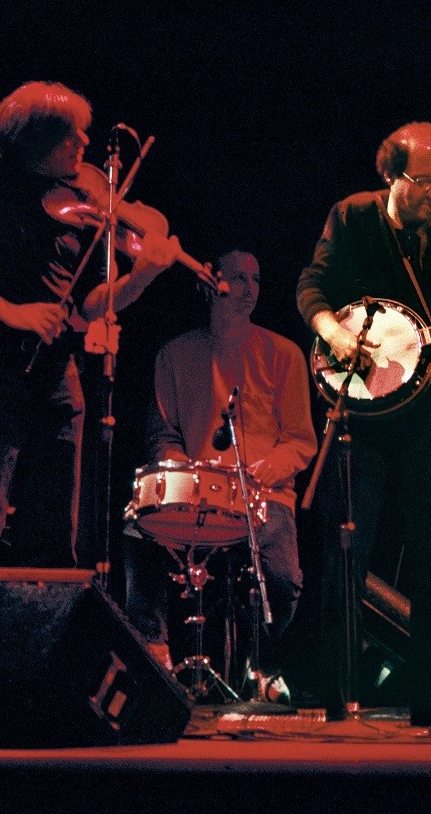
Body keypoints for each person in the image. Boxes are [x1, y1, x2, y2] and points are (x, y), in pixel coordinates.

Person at [0, 81, 178, 639]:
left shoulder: (77, 195)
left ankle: (42, 661)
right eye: (72, 134)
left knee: (60, 525)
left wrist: (144, 275)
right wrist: (10, 311)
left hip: (57, 378)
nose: (86, 141)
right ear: (37, 140)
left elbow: (88, 305)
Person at [296, 122, 431, 725]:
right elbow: (312, 287)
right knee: (347, 547)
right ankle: (336, 694)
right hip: (360, 412)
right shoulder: (351, 218)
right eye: (425, 181)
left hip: (427, 413)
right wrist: (335, 333)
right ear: (391, 175)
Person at [126, 248, 317, 685]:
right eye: (239, 278)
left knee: (283, 581)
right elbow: (163, 437)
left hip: (263, 496)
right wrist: (182, 469)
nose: (250, 289)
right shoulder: (174, 355)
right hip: (199, 498)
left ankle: (263, 666)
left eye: (256, 279)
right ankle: (153, 650)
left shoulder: (283, 353)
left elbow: (301, 440)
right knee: (137, 527)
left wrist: (268, 469)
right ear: (212, 284)